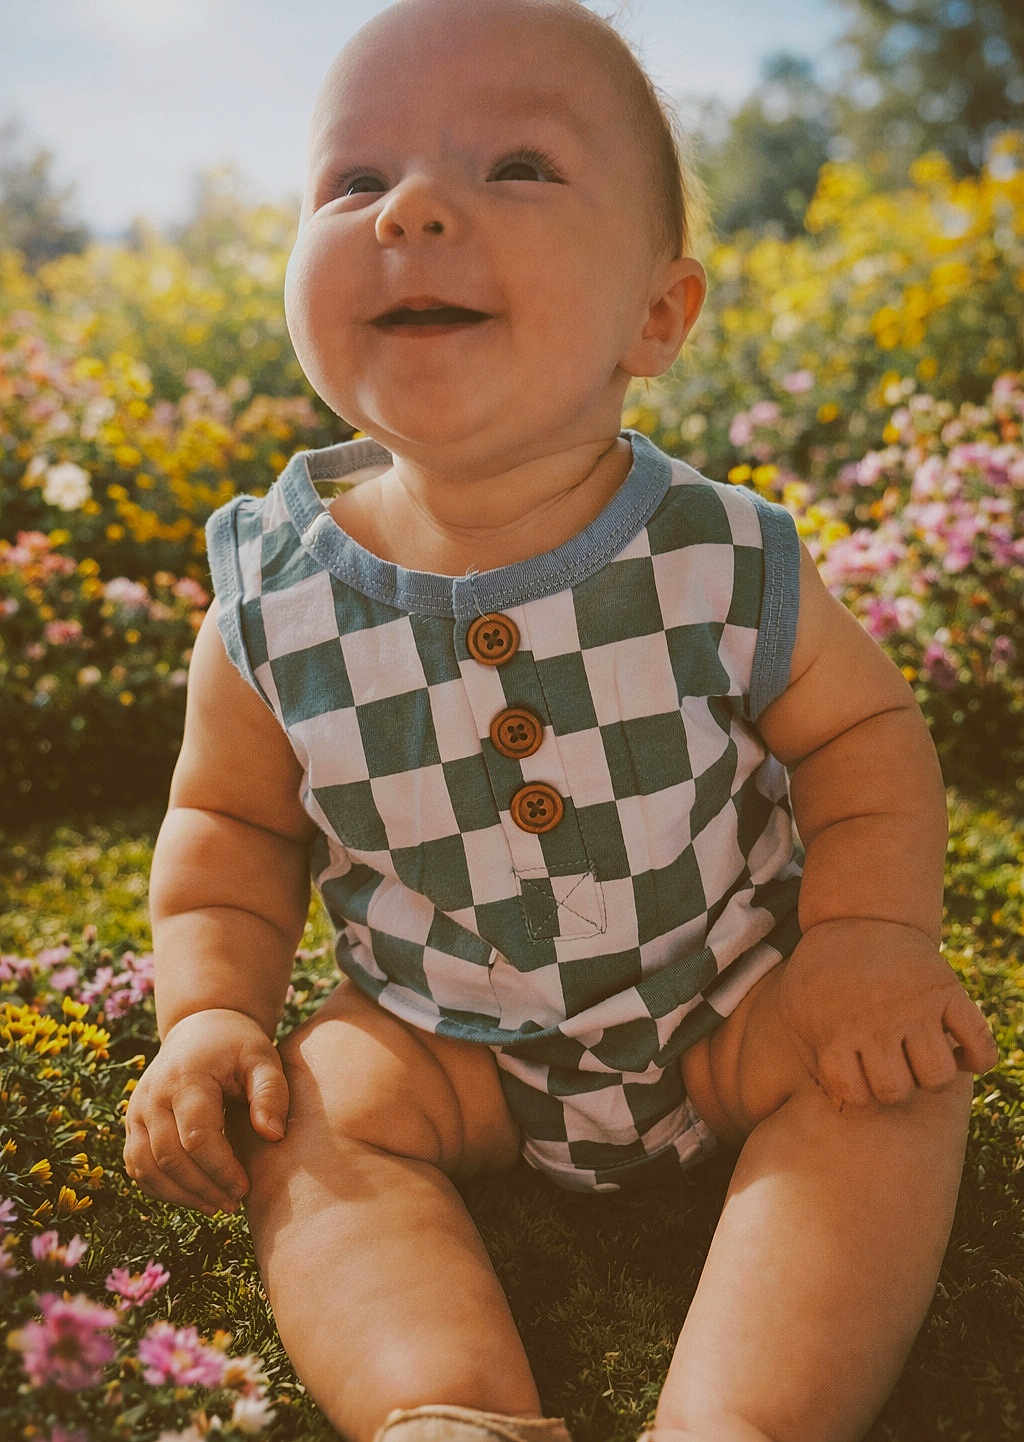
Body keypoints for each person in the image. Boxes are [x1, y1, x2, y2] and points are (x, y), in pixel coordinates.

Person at [123, 2, 999, 1440]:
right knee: (322, 1114)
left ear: (657, 315)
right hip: (441, 1044)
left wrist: (862, 943)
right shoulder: (271, 604)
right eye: (354, 181)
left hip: (733, 997)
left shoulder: (725, 554)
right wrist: (212, 1012)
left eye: (517, 167)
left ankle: (740, 1414)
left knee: (891, 1082)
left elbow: (862, 741)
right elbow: (225, 828)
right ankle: (439, 1403)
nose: (409, 206)